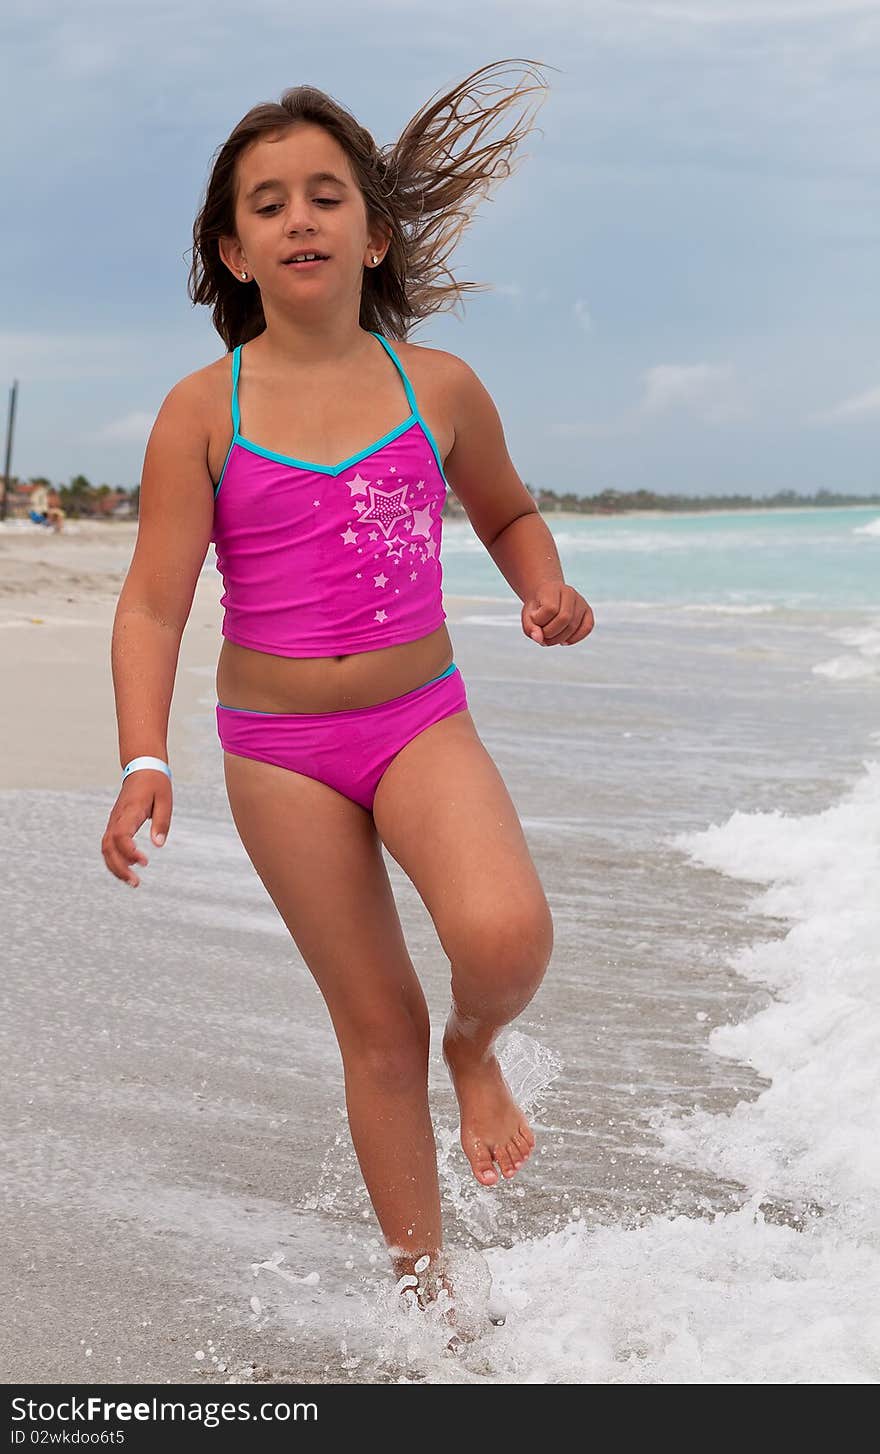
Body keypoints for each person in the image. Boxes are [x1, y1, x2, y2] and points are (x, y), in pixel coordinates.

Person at [102, 59, 594, 1341]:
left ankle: (476, 1050)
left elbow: (506, 508)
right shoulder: (202, 411)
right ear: (232, 249)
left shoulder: (436, 387)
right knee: (376, 1024)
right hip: (278, 751)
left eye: (327, 194)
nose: (299, 216)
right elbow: (153, 601)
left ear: (376, 232)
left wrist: (543, 583)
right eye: (267, 203)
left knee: (503, 936)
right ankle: (431, 1309)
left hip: (418, 716)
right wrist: (141, 759)